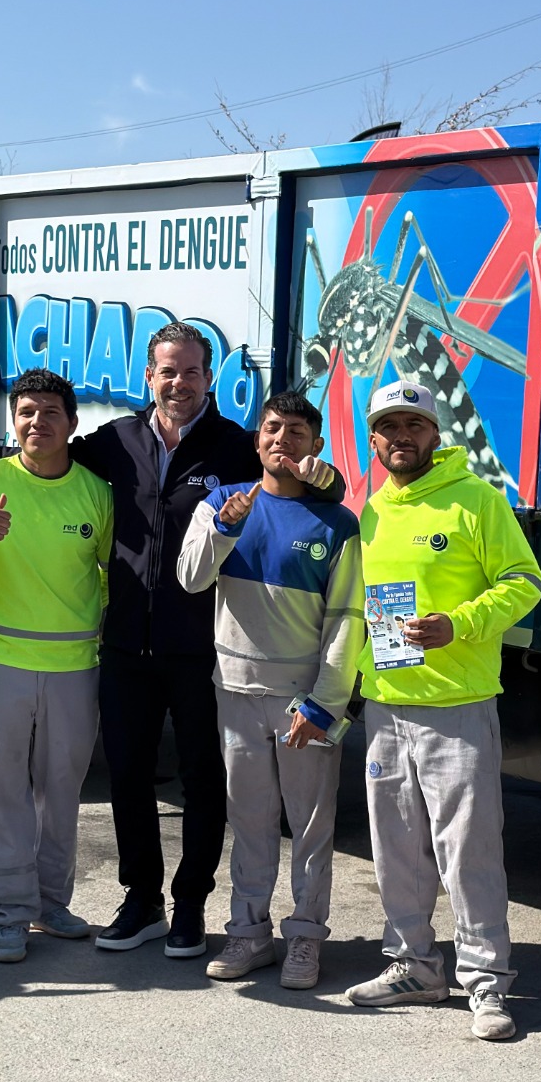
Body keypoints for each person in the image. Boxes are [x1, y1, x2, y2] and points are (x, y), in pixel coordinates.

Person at [68, 323, 343, 959]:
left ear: (208, 377)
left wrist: (328, 483)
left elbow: (299, 485)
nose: (179, 382)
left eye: (191, 371)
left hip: (202, 649)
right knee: (129, 776)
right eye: (167, 370)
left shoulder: (236, 446)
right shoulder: (117, 441)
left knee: (202, 780)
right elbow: (45, 458)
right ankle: (141, 901)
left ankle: (191, 904)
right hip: (126, 644)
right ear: (148, 376)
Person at [342, 379, 541, 1041]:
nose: (401, 437)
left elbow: (524, 581)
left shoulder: (477, 501)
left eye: (414, 425)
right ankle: (413, 966)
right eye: (388, 427)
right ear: (373, 441)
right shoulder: (370, 510)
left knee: (468, 851)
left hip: (456, 707)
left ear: (435, 433)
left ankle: (486, 983)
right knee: (396, 849)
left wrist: (459, 624)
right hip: (387, 704)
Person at [176, 391, 364, 990]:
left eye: (297, 432)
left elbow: (346, 619)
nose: (283, 439)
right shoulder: (221, 503)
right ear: (257, 441)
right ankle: (248, 934)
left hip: (302, 701)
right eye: (273, 429)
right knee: (251, 822)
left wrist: (324, 702)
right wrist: (225, 528)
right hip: (234, 691)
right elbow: (191, 578)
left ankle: (305, 937)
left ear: (315, 446)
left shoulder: (338, 523)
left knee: (311, 826)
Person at [0, 369, 114, 963]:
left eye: (50, 413)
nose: (37, 423)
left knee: (61, 793)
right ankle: (6, 914)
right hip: (1, 664)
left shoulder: (95, 492)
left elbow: (114, 573)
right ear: (13, 420)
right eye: (26, 412)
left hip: (73, 667)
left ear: (72, 423)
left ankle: (50, 903)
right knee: (1, 792)